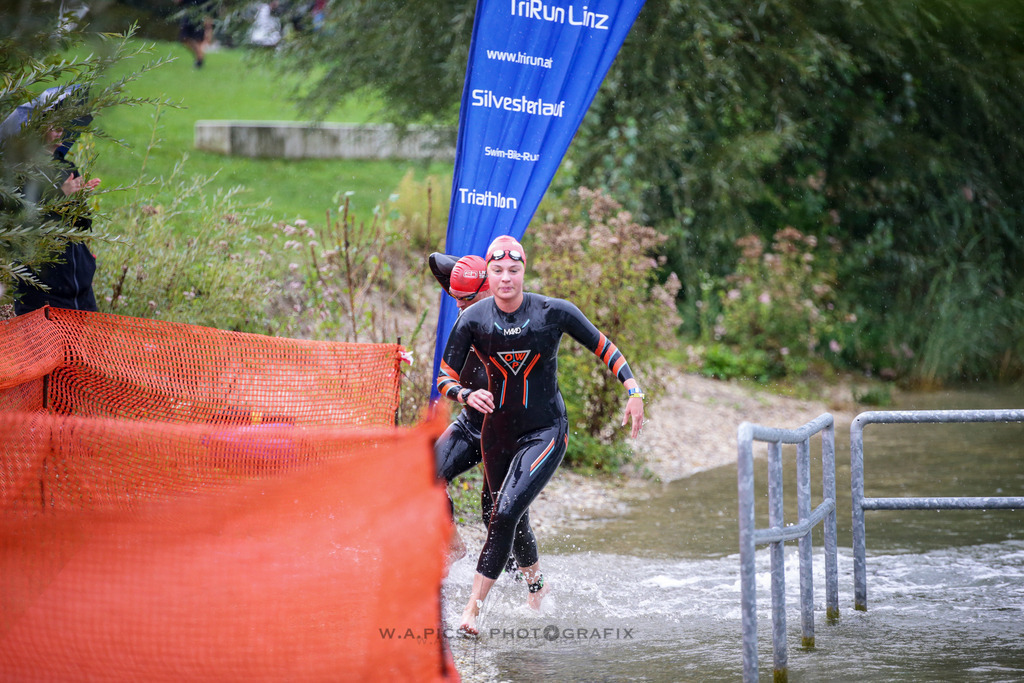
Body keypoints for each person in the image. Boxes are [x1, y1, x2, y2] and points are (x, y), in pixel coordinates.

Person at [436, 235, 645, 635]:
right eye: (498, 271)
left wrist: (633, 390)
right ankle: (536, 586)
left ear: (523, 271)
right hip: (496, 435)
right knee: (501, 512)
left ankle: (471, 613)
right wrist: (465, 393)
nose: (506, 278)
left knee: (506, 512)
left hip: (544, 430)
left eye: (513, 270)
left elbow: (605, 347)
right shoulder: (472, 318)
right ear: (489, 276)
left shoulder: (553, 311)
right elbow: (444, 377)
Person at [11, 88, 101, 315]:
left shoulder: (67, 168)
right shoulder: (23, 171)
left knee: (84, 350)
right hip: (44, 293)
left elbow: (82, 226)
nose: (61, 131)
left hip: (78, 288)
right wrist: (60, 195)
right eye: (55, 125)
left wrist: (78, 201)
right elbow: (24, 223)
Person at [430, 253, 492, 562]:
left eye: (465, 298)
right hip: (470, 423)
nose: (458, 305)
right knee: (427, 477)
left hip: (505, 433)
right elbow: (435, 260)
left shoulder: (513, 317)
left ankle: (516, 577)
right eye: (455, 297)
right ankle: (456, 551)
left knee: (494, 512)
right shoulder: (467, 306)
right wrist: (471, 271)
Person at [176, 0, 212, 68]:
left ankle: (199, 60)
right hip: (188, 16)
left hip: (200, 18)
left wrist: (208, 27)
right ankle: (199, 57)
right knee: (184, 38)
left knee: (197, 40)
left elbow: (209, 10)